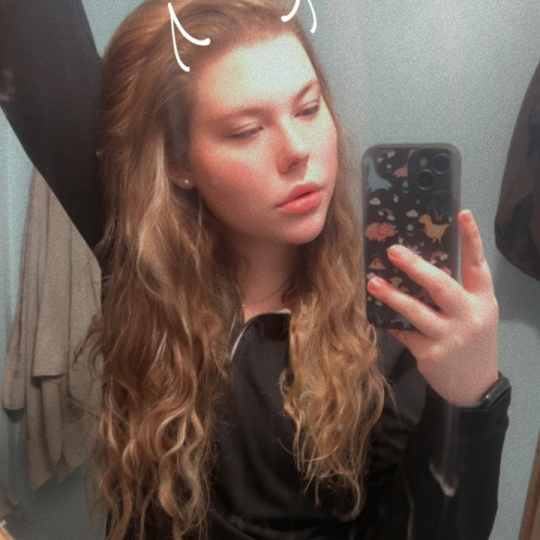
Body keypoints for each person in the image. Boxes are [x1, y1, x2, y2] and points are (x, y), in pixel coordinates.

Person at [0, 0, 510, 539]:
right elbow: (30, 32)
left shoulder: (387, 335)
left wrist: (468, 400)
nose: (298, 151)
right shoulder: (144, 267)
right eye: (246, 130)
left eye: (308, 109)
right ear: (178, 161)